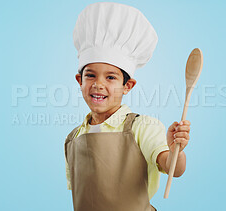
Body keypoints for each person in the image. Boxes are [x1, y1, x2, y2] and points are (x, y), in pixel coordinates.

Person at [64, 2, 191, 211]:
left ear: (127, 86)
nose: (98, 84)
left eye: (111, 77)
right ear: (80, 80)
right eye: (90, 75)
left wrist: (175, 149)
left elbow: (173, 168)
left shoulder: (142, 127)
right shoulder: (73, 138)